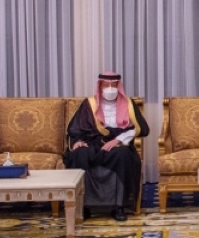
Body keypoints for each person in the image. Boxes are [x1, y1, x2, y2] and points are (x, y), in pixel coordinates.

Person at [64, 72, 149, 221]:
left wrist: (117, 140)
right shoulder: (89, 104)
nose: (110, 89)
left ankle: (118, 207)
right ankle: (84, 206)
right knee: (79, 154)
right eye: (106, 85)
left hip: (118, 145)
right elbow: (75, 129)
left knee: (123, 156)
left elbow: (140, 129)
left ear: (119, 86)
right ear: (100, 86)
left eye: (114, 85)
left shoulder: (128, 104)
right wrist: (78, 141)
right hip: (92, 143)